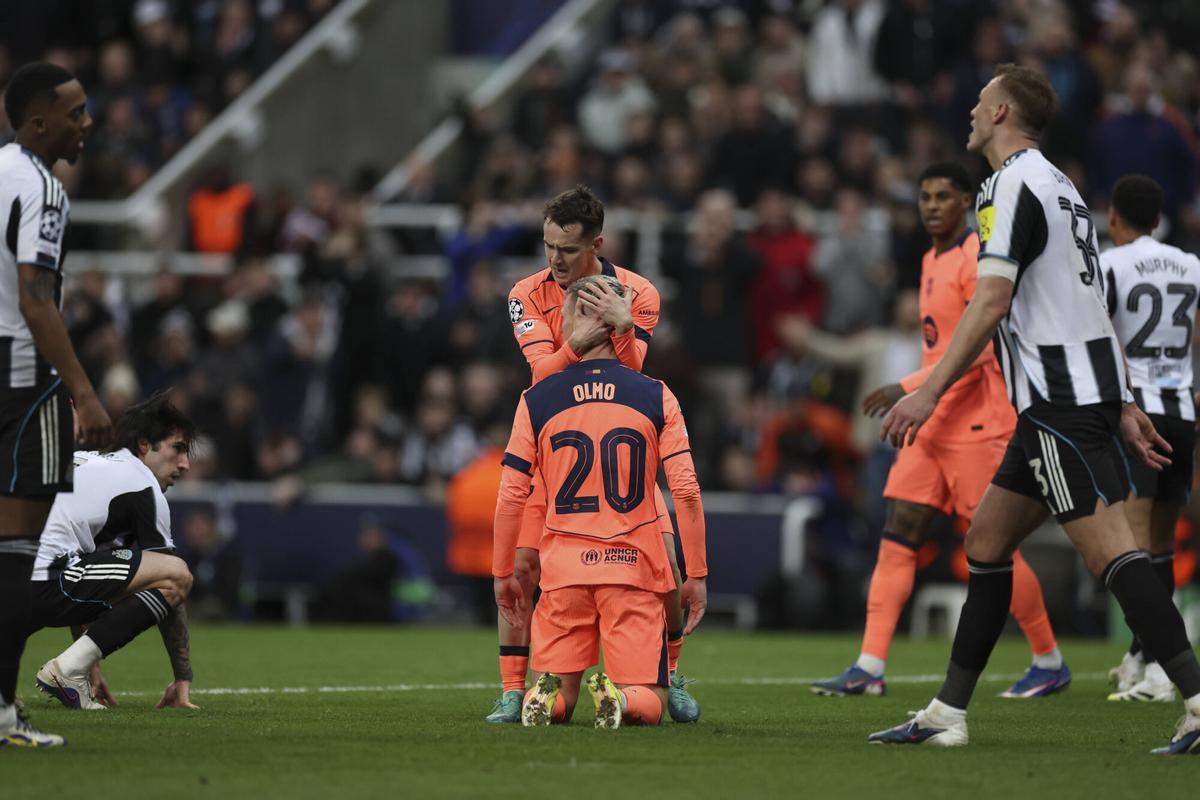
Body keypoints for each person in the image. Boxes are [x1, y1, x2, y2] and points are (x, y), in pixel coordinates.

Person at [869, 64, 1200, 756]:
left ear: (1000, 114)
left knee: (1116, 556)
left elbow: (990, 301)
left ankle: (1197, 700)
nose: (970, 105)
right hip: (1069, 400)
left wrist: (926, 393)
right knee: (985, 543)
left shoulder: (1011, 186)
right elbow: (1088, 302)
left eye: (980, 98)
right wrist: (1125, 401)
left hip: (1057, 402)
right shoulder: (1062, 188)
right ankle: (946, 714)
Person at [811, 162, 1067, 699]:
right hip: (932, 424)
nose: (931, 205)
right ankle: (869, 667)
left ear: (967, 204)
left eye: (943, 196)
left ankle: (1048, 658)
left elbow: (982, 346)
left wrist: (907, 385)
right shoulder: (931, 258)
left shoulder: (977, 259)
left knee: (993, 547)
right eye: (925, 196)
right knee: (898, 531)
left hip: (977, 423)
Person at [486, 186, 700, 724]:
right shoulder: (526, 293)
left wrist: (622, 328)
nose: (554, 260)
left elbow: (629, 379)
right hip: (556, 451)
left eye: (567, 249)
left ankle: (669, 676)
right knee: (522, 566)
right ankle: (514, 689)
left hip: (619, 435)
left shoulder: (639, 291)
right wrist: (578, 344)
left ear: (596, 244)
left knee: (670, 571)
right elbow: (543, 376)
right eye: (548, 246)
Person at [0, 62, 113, 749]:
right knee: (16, 555)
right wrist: (83, 391)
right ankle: (2, 713)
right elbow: (36, 297)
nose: (86, 123)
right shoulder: (43, 187)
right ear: (38, 122)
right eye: (74, 113)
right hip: (21, 381)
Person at [30, 391, 196, 712]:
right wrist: (182, 676)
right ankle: (65, 671)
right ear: (145, 445)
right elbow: (169, 579)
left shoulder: (89, 462)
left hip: (15, 582)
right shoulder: (142, 485)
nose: (186, 464)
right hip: (46, 580)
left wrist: (88, 664)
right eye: (178, 449)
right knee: (176, 576)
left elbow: (83, 568)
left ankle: (70, 670)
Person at [1102, 175, 1200, 703]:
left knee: (1132, 549)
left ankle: (1164, 668)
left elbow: (1098, 332)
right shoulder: (1190, 264)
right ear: (1159, 218)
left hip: (1137, 412)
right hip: (1183, 409)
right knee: (1160, 546)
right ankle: (1142, 657)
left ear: (1115, 217)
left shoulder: (1110, 263)